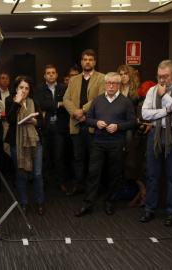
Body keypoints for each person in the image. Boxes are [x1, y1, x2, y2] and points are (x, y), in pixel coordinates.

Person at [74, 72, 137, 217]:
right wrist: (96, 123)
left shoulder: (125, 101)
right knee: (93, 173)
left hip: (116, 142)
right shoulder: (97, 100)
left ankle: (110, 203)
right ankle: (87, 205)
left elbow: (133, 122)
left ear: (119, 85)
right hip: (98, 142)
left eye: (114, 83)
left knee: (114, 174)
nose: (111, 86)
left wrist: (118, 127)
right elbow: (88, 119)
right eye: (108, 83)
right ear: (105, 84)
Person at [140, 60, 172, 226]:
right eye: (159, 76)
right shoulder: (152, 90)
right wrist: (168, 109)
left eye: (165, 76)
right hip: (155, 134)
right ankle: (149, 209)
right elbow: (145, 114)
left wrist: (164, 97)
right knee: (152, 175)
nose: (161, 80)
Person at [63, 49, 106, 197]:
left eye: (90, 59)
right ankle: (78, 186)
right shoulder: (74, 79)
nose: (87, 62)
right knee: (78, 158)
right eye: (85, 59)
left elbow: (100, 99)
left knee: (94, 159)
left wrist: (82, 111)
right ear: (81, 62)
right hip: (77, 125)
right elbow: (66, 98)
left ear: (95, 62)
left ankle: (93, 189)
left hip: (93, 125)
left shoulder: (102, 78)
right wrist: (75, 112)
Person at [5, 76, 45, 215]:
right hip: (17, 142)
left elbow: (42, 122)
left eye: (26, 88)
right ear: (16, 89)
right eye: (21, 87)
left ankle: (40, 202)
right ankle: (23, 203)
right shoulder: (10, 100)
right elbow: (10, 119)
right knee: (21, 173)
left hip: (35, 141)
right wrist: (17, 102)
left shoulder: (34, 101)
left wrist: (34, 121)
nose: (24, 90)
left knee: (37, 173)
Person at [35, 65, 69, 192]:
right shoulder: (39, 88)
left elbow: (68, 104)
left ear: (56, 75)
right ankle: (43, 182)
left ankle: (61, 182)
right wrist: (58, 104)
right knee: (44, 156)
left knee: (59, 156)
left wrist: (52, 106)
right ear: (44, 76)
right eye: (48, 73)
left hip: (60, 126)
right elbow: (40, 104)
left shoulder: (64, 88)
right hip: (45, 126)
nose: (50, 75)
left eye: (53, 73)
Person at [117, 65, 148, 206]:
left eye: (126, 74)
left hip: (133, 130)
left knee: (131, 162)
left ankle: (142, 191)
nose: (123, 76)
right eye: (121, 74)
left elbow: (142, 112)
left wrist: (137, 120)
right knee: (122, 162)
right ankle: (130, 192)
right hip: (117, 129)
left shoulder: (137, 91)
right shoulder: (115, 90)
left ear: (131, 75)